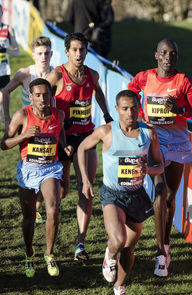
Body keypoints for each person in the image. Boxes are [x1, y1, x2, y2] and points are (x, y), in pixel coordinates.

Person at [128, 38, 192, 277]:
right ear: (156, 55)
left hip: (178, 143)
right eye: (164, 53)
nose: (168, 58)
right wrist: (140, 114)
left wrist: (181, 110)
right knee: (161, 193)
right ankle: (160, 255)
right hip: (155, 142)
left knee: (171, 197)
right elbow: (130, 91)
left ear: (177, 57)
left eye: (173, 54)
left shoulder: (182, 81)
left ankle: (166, 246)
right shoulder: (145, 77)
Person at [77, 90, 164, 295]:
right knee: (118, 240)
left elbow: (160, 165)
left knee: (129, 248)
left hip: (136, 195)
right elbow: (82, 148)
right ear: (116, 110)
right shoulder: (106, 132)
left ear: (138, 107)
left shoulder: (148, 133)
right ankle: (109, 255)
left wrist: (149, 170)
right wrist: (85, 180)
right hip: (112, 194)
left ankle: (120, 286)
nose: (130, 113)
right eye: (124, 109)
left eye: (133, 108)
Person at [46, 32, 113, 261]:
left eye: (82, 50)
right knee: (63, 189)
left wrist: (106, 114)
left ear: (86, 51)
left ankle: (80, 244)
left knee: (86, 188)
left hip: (85, 138)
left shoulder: (92, 75)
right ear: (66, 52)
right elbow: (42, 96)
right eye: (74, 49)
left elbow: (100, 93)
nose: (78, 54)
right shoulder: (57, 75)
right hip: (63, 138)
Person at [1, 78, 72, 278]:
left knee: (53, 208)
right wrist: (23, 136)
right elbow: (4, 143)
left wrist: (64, 147)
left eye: (46, 94)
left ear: (51, 95)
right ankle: (29, 253)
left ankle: (49, 254)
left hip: (50, 168)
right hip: (28, 170)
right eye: (38, 95)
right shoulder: (22, 115)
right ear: (30, 96)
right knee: (29, 219)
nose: (43, 99)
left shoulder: (58, 114)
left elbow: (61, 136)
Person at [3, 35, 53, 224]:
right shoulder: (24, 73)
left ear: (52, 54)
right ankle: (33, 206)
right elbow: (6, 91)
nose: (43, 57)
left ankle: (37, 207)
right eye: (40, 53)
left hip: (49, 128)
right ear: (33, 54)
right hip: (28, 128)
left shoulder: (56, 74)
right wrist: (8, 118)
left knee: (47, 165)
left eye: (47, 53)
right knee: (32, 165)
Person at [0, 4, 19, 124]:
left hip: (3, 71)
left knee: (1, 101)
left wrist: (5, 50)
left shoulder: (8, 29)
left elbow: (17, 52)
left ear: (1, 13)